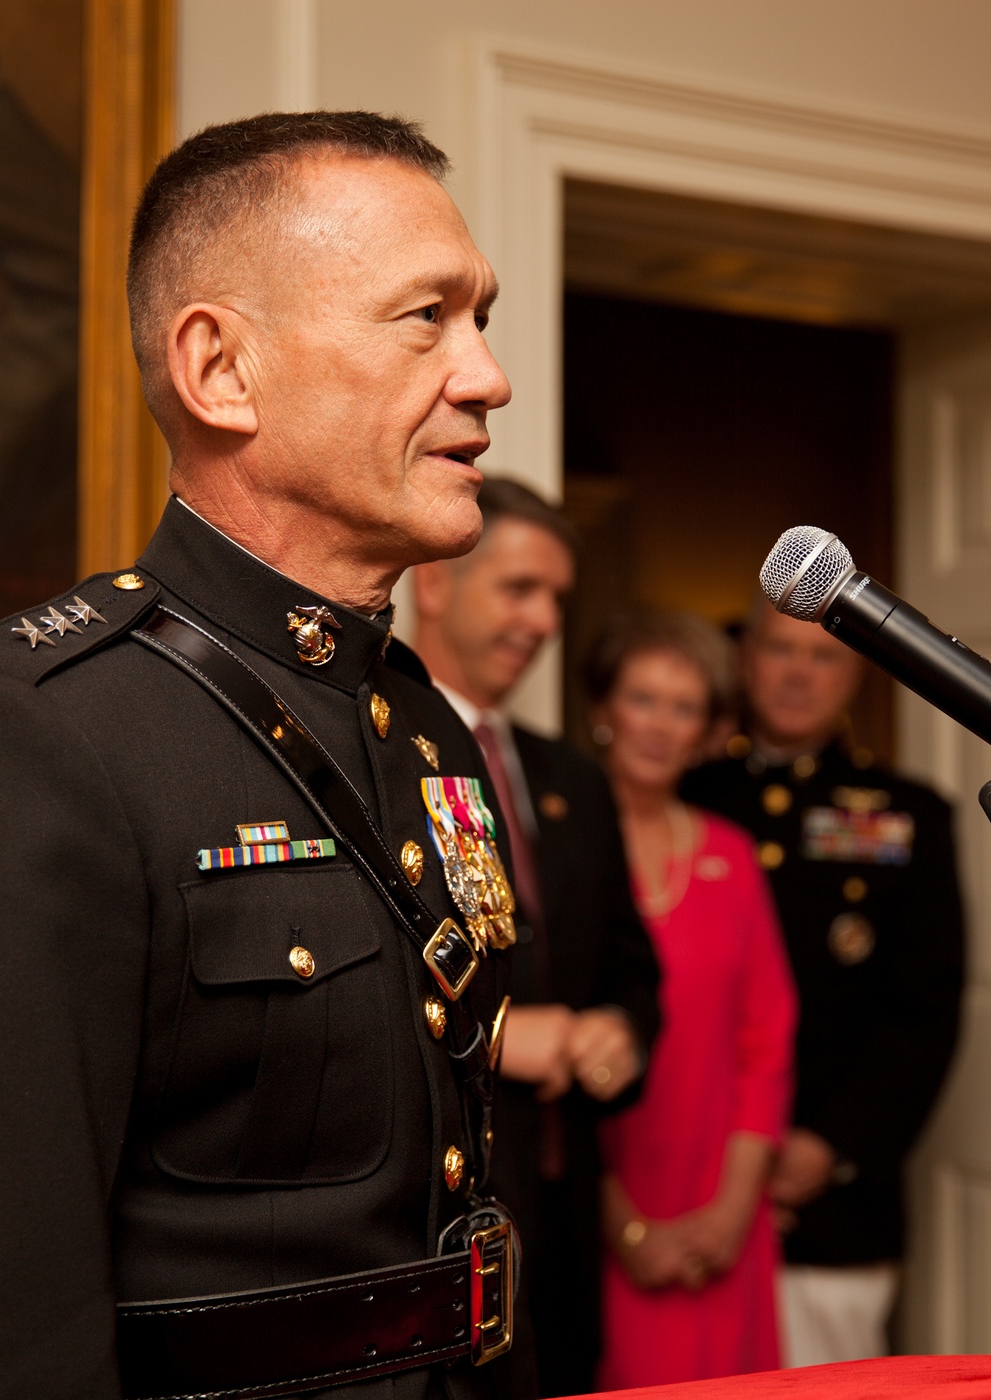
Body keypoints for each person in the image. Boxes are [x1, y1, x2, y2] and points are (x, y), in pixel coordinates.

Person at [0, 111, 531, 1400]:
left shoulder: (425, 728)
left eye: (483, 317)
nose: (487, 375)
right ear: (220, 369)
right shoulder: (44, 725)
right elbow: (21, 1305)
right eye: (426, 318)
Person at [411, 476, 661, 1398]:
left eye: (557, 597)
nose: (544, 619)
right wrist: (510, 1037)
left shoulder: (571, 781)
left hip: (566, 1205)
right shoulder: (374, 751)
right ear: (435, 582)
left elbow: (633, 969)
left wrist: (619, 1035)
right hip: (441, 1213)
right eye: (520, 589)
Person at [684, 598, 965, 1367]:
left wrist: (832, 1147)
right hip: (693, 1187)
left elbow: (927, 1013)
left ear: (858, 677)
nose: (799, 674)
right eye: (780, 651)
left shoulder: (912, 816)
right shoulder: (689, 797)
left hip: (837, 1206)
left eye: (824, 657)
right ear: (746, 662)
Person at [585, 608, 797, 1388]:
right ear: (602, 710)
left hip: (723, 1214)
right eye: (643, 699)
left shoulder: (733, 857)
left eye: (684, 707)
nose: (659, 726)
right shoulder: (558, 846)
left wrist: (734, 1208)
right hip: (596, 1208)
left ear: (709, 727)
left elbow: (766, 1041)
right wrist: (623, 1226)